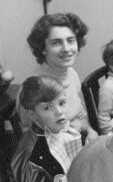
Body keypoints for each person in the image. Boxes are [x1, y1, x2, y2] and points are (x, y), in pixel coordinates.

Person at [21, 13, 98, 143]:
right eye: (56, 43)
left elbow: (80, 115)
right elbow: (32, 139)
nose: (67, 49)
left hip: (77, 140)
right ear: (43, 48)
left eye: (71, 40)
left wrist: (90, 130)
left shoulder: (71, 72)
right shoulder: (36, 87)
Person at [10, 76, 82, 182]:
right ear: (32, 115)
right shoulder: (31, 153)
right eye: (47, 108)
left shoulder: (58, 128)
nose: (59, 112)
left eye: (61, 103)